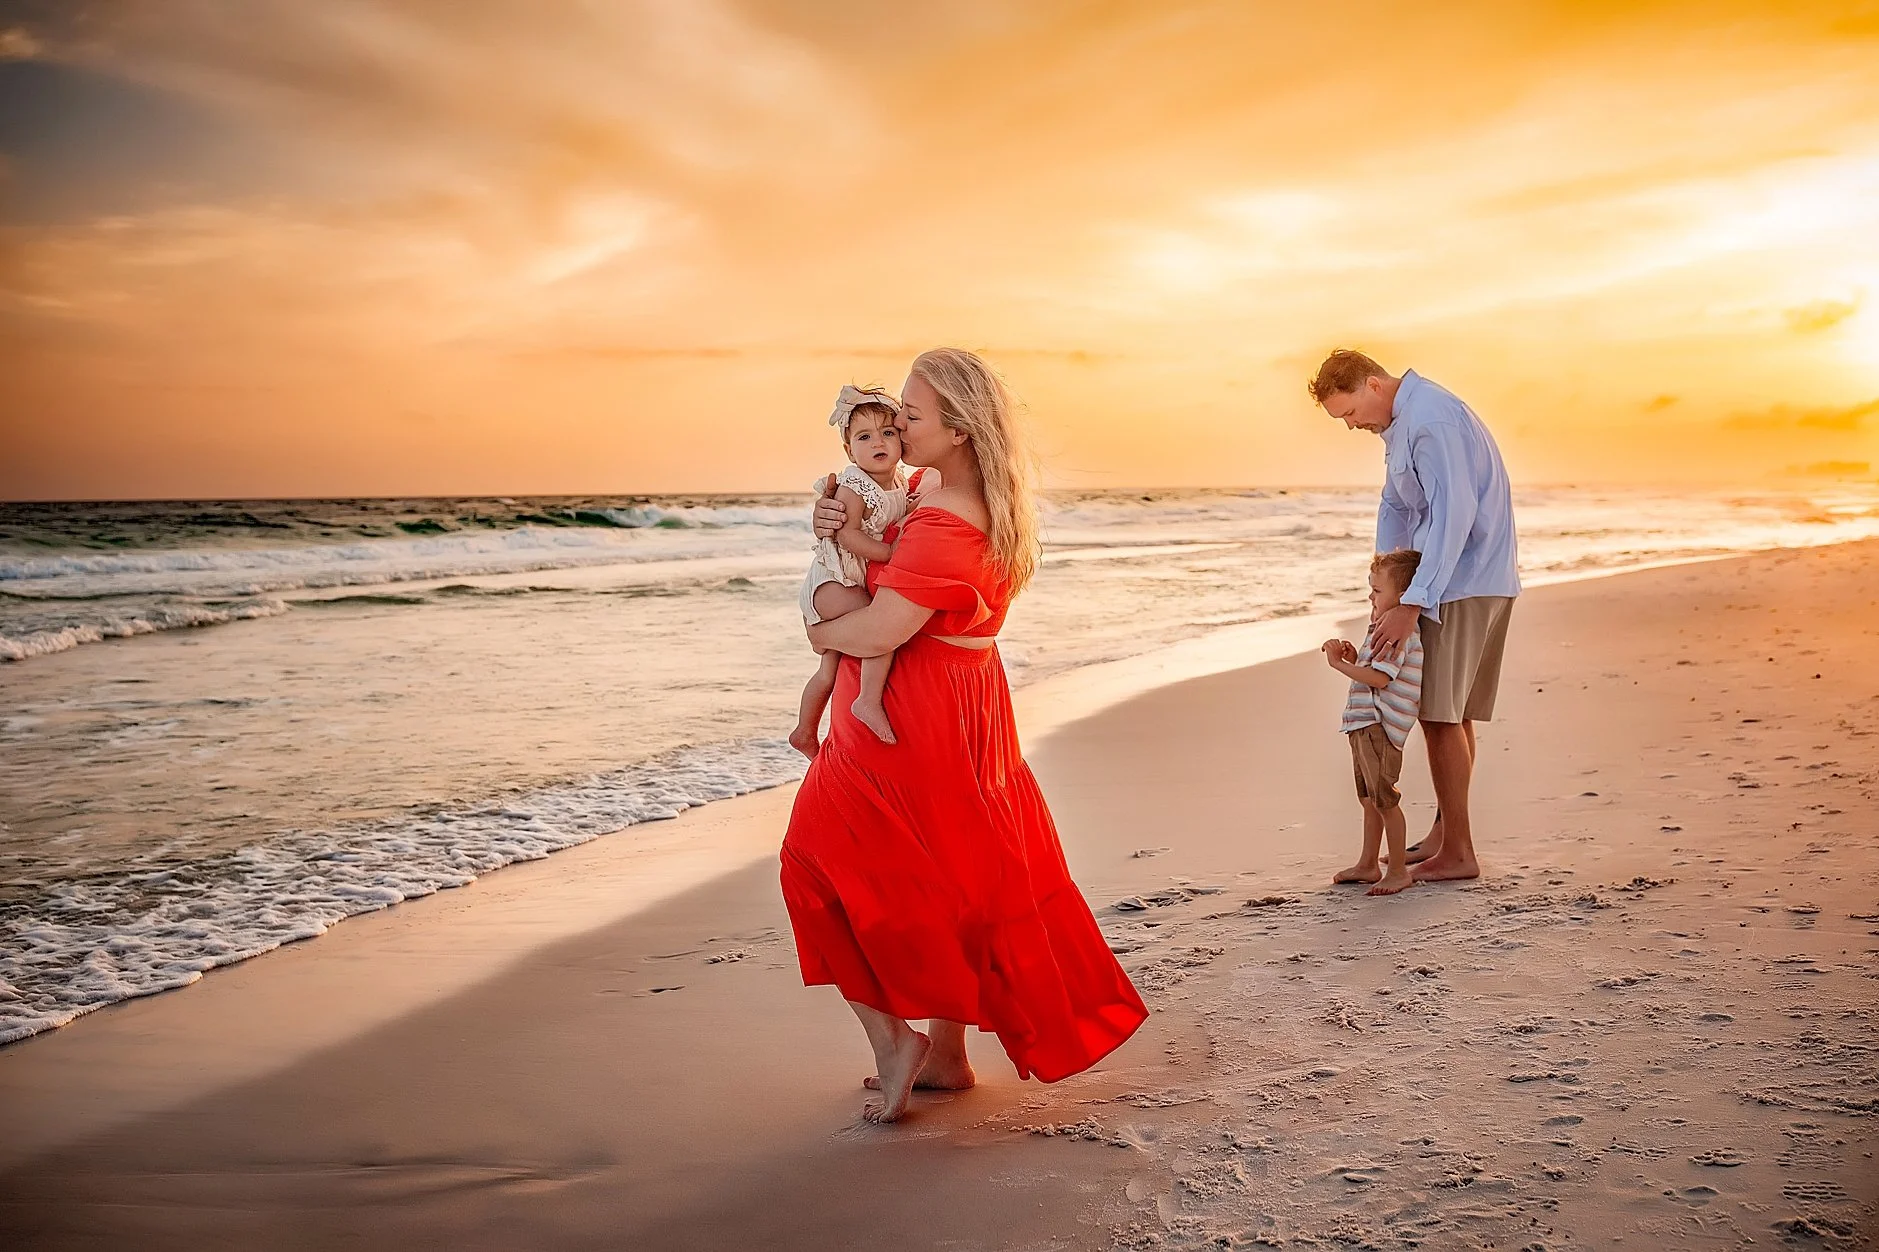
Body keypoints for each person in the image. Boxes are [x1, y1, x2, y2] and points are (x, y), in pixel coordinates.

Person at [782, 348, 1148, 1124]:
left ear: (957, 429)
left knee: (810, 866)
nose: (897, 426)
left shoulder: (944, 520)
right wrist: (833, 520)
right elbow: (875, 516)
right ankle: (946, 1055)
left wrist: (819, 633)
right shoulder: (955, 494)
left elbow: (878, 631)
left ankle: (893, 1041)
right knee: (950, 874)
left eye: (911, 416)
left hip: (907, 717)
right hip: (962, 704)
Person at [1310, 350, 1519, 883]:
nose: (1351, 425)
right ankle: (1447, 838)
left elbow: (1454, 515)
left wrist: (1412, 600)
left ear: (1374, 385)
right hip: (1459, 581)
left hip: (1462, 583)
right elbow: (1397, 507)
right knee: (1454, 712)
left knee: (1440, 715)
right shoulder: (1403, 424)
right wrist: (1387, 585)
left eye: (1349, 412)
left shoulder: (1430, 420)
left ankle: (1460, 852)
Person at [790, 385, 911, 757]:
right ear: (848, 450)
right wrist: (889, 552)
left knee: (828, 669)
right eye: (864, 437)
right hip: (834, 580)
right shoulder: (855, 485)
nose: (879, 442)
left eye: (887, 432)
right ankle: (867, 700)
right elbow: (847, 534)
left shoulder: (900, 481)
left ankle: (804, 732)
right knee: (879, 627)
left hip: (849, 578)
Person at [1322, 549, 1425, 897]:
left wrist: (1339, 665)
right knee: (1368, 799)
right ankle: (1368, 864)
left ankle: (1397, 870)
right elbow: (1374, 672)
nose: (1371, 597)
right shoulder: (1380, 628)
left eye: (1377, 591)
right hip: (1362, 723)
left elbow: (1380, 679)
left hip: (1379, 725)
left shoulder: (1398, 634)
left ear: (1404, 596)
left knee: (1385, 801)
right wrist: (1355, 659)